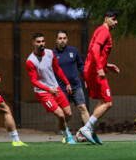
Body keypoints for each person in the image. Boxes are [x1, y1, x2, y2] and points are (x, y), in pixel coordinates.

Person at [78, 9, 120, 145]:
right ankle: (87, 129)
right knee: (108, 103)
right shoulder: (104, 31)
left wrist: (106, 65)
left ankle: (91, 131)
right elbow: (95, 49)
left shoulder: (100, 30)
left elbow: (95, 52)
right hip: (95, 71)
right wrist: (101, 68)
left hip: (92, 70)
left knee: (102, 102)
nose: (116, 22)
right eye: (113, 19)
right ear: (106, 18)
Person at [26, 33, 76, 144]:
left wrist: (67, 83)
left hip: (55, 88)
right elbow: (34, 82)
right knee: (60, 114)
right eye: (38, 42)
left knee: (68, 114)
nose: (41, 44)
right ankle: (67, 137)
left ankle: (63, 128)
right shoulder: (31, 61)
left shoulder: (49, 53)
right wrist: (48, 90)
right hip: (43, 92)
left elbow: (57, 68)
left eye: (43, 41)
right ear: (33, 43)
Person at [53, 31, 89, 136]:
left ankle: (89, 132)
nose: (62, 40)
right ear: (56, 40)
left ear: (67, 39)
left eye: (64, 38)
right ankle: (65, 133)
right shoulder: (52, 54)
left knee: (83, 107)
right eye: (60, 38)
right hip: (61, 88)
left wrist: (85, 78)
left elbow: (81, 66)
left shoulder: (74, 51)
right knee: (66, 114)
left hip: (76, 85)